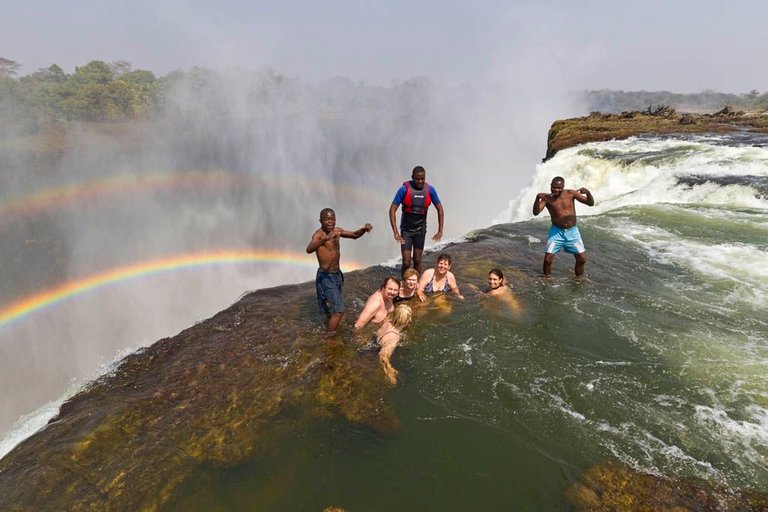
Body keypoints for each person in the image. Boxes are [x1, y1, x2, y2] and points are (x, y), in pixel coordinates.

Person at [306, 208, 372, 334]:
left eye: (333, 219)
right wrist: (324, 239)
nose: (330, 222)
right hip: (325, 277)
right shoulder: (318, 235)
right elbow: (309, 249)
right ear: (321, 221)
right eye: (327, 219)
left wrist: (364, 229)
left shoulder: (338, 231)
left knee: (331, 308)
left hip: (337, 275)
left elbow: (354, 235)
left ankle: (329, 327)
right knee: (339, 311)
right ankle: (328, 339)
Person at [532, 176, 595, 277]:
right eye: (554, 187)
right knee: (548, 259)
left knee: (582, 259)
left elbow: (590, 203)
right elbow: (536, 212)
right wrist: (537, 199)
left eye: (559, 187)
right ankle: (546, 278)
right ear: (550, 186)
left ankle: (578, 278)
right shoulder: (546, 198)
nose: (556, 190)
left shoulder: (571, 193)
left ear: (563, 187)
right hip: (556, 232)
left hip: (572, 232)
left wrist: (588, 193)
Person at [389, 165, 444, 277]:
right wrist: (395, 232)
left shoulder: (430, 190)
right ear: (412, 177)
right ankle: (404, 283)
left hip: (420, 230)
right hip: (406, 231)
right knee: (406, 262)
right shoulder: (404, 189)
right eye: (417, 179)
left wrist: (440, 231)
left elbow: (440, 209)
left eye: (422, 179)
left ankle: (416, 284)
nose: (420, 181)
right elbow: (392, 210)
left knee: (418, 260)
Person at [376, 304, 413, 384]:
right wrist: (389, 371)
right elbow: (383, 357)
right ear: (406, 320)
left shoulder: (388, 321)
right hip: (377, 351)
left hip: (377, 342)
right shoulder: (394, 337)